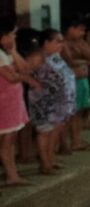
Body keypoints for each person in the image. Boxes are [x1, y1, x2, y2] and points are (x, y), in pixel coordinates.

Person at [27, 29, 77, 175]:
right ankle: (45, 164)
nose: (61, 44)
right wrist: (34, 82)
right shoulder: (37, 57)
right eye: (58, 41)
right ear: (46, 43)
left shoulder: (55, 55)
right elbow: (23, 72)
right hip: (44, 102)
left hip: (60, 102)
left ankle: (51, 159)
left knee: (55, 131)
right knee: (44, 132)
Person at [0, 18, 37, 186]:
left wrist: (14, 52)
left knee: (10, 140)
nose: (14, 37)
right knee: (7, 142)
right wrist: (25, 78)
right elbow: (12, 77)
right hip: (4, 103)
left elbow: (25, 68)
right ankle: (11, 176)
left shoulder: (6, 53)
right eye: (12, 34)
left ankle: (12, 174)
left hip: (12, 102)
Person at [61, 18, 90, 152]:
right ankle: (63, 144)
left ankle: (76, 141)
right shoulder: (62, 43)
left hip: (82, 80)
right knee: (67, 114)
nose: (83, 33)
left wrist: (80, 53)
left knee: (78, 112)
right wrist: (82, 61)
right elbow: (68, 61)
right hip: (69, 81)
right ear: (70, 28)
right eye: (80, 29)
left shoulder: (80, 42)